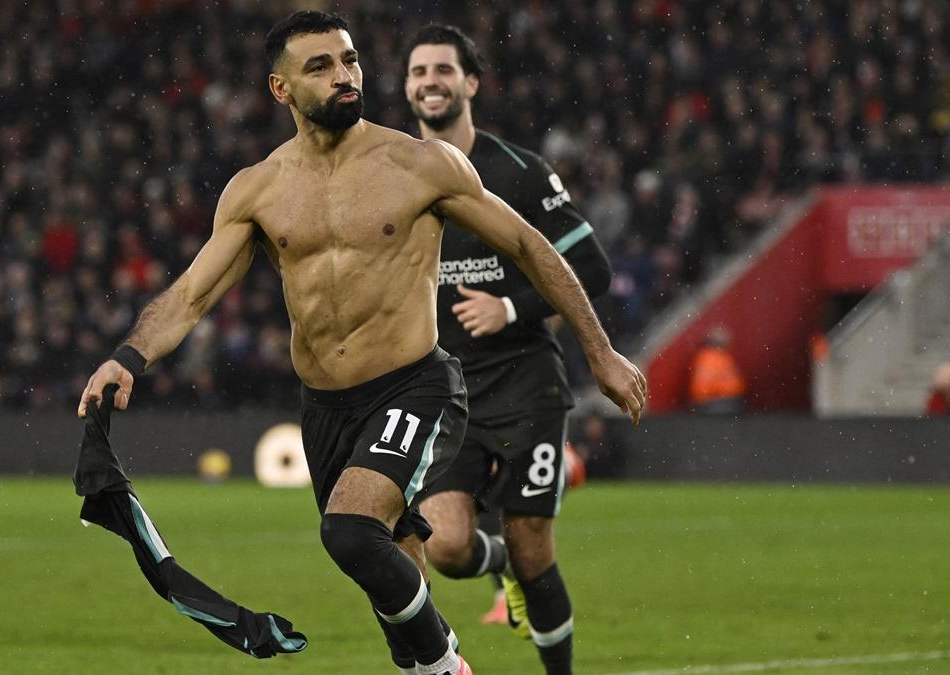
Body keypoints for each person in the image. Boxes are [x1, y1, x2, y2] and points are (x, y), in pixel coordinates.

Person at [77, 11, 647, 675]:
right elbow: (193, 293)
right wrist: (129, 355)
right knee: (393, 581)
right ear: (280, 89)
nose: (344, 75)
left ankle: (450, 666)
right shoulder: (256, 190)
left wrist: (600, 352)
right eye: (320, 66)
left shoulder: (420, 164)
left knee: (349, 531)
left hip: (416, 385)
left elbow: (528, 243)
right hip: (325, 408)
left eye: (349, 60)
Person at [402, 24, 614, 674]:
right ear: (407, 89)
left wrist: (513, 305)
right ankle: (499, 565)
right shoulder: (389, 177)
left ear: (470, 83)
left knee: (533, 547)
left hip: (524, 382)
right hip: (445, 394)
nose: (429, 81)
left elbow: (594, 269)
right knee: (447, 548)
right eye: (417, 72)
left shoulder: (519, 171)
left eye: (443, 69)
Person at [688, 326, 746, 414]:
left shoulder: (720, 356)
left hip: (723, 400)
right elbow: (701, 388)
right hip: (712, 402)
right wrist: (726, 390)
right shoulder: (709, 357)